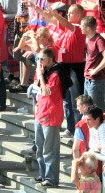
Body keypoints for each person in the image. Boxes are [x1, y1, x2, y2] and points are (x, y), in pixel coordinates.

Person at [34, 48, 64, 187]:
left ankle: (51, 178)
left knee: (49, 149)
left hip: (51, 115)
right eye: (38, 58)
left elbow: (46, 92)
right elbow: (36, 87)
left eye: (41, 59)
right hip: (40, 113)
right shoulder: (42, 71)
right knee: (39, 148)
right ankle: (43, 174)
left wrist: (40, 75)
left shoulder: (55, 74)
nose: (39, 61)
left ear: (50, 60)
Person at [81, 16, 105, 111]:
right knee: (88, 108)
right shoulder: (89, 39)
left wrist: (95, 70)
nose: (80, 28)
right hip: (88, 79)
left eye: (82, 26)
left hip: (96, 81)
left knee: (97, 109)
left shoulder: (99, 40)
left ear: (88, 28)